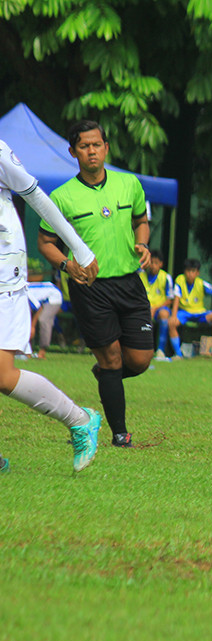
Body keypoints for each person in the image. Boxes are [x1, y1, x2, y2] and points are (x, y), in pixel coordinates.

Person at [37, 120, 153, 448]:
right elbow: (45, 242)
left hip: (129, 283)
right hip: (91, 288)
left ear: (106, 147)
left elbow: (140, 221)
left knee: (140, 359)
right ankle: (120, 433)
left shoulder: (129, 184)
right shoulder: (61, 198)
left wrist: (142, 244)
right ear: (73, 152)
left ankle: (106, 377)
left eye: (97, 145)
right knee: (112, 358)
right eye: (85, 146)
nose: (92, 151)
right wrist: (66, 264)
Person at [0, 138, 102, 472]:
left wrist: (81, 250)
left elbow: (35, 197)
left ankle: (80, 419)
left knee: (2, 375)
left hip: (3, 273)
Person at [167, 258, 212, 357]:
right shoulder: (180, 280)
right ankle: (178, 354)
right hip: (184, 313)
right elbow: (176, 299)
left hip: (199, 313)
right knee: (171, 323)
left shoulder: (201, 284)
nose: (190, 274)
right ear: (184, 272)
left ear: (197, 273)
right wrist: (173, 316)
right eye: (188, 271)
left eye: (193, 271)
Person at [139, 249, 174, 359]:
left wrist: (155, 308)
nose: (153, 266)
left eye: (156, 263)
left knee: (164, 314)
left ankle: (160, 350)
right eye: (151, 262)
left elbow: (170, 299)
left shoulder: (166, 277)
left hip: (159, 308)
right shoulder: (141, 275)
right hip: (144, 307)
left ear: (161, 264)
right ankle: (142, 349)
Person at [27, 276, 64, 359]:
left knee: (43, 320)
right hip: (44, 299)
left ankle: (42, 352)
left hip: (54, 298)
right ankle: (28, 352)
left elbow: (38, 307)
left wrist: (32, 326)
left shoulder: (25, 293)